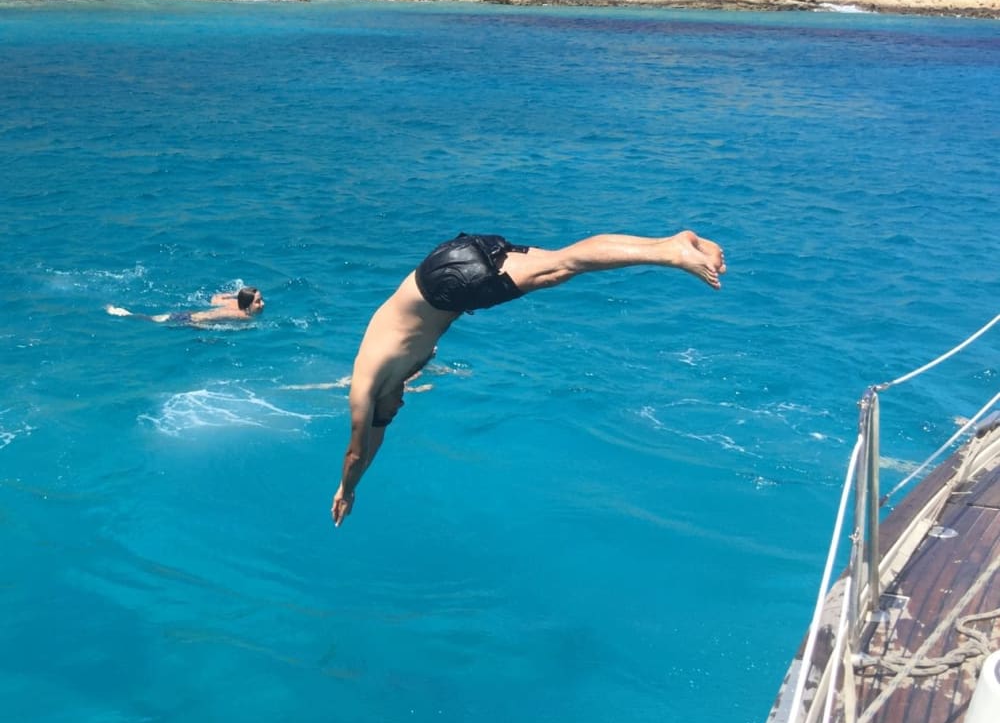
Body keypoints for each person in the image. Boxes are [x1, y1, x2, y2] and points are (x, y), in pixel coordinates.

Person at [331, 230, 727, 528]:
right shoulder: (388, 374)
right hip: (442, 262)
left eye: (394, 408)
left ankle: (673, 256)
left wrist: (346, 490)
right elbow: (376, 438)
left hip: (451, 285)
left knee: (566, 266)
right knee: (564, 262)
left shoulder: (365, 386)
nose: (400, 406)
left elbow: (356, 450)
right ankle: (671, 244)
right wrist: (361, 477)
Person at [106, 286, 265, 325]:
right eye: (257, 301)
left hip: (189, 313)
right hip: (187, 319)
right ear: (247, 304)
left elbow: (215, 298)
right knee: (152, 320)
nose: (262, 304)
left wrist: (234, 294)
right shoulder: (241, 316)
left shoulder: (233, 302)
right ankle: (122, 313)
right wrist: (199, 325)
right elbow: (206, 317)